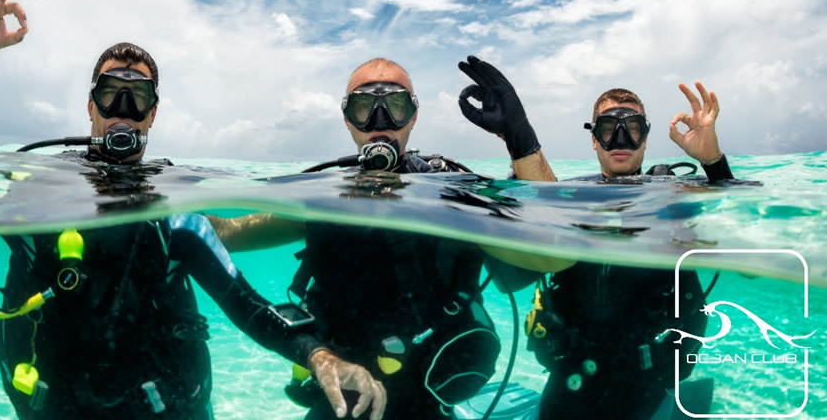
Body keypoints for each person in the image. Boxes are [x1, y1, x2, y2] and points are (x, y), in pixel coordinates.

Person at [0, 0, 385, 420]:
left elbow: (244, 303)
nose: (123, 110)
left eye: (137, 97)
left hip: (166, 405)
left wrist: (317, 354)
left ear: (153, 114)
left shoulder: (174, 212)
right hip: (55, 403)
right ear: (90, 106)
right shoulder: (37, 187)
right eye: (110, 94)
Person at [210, 57, 566, 420]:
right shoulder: (321, 201)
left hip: (428, 396)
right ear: (348, 119)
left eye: (395, 106)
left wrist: (520, 137)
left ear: (413, 116)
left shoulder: (456, 199)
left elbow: (554, 253)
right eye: (365, 108)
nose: (380, 123)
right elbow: (223, 233)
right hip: (340, 395)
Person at [457, 56, 729, 419]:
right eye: (607, 128)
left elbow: (734, 217)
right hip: (571, 368)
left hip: (645, 373)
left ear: (645, 138)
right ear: (593, 140)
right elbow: (539, 205)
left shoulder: (674, 196)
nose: (620, 139)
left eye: (632, 128)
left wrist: (712, 161)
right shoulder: (570, 195)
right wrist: (517, 133)